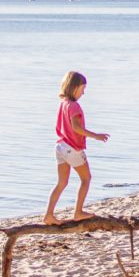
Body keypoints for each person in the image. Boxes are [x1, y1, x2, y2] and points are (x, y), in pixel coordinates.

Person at [42, 70, 110, 224]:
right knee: (86, 178)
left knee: (62, 182)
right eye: (82, 89)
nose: (83, 93)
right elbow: (76, 128)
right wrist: (96, 136)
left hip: (60, 146)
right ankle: (78, 212)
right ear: (74, 88)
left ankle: (49, 215)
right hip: (72, 148)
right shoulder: (74, 106)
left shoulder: (63, 104)